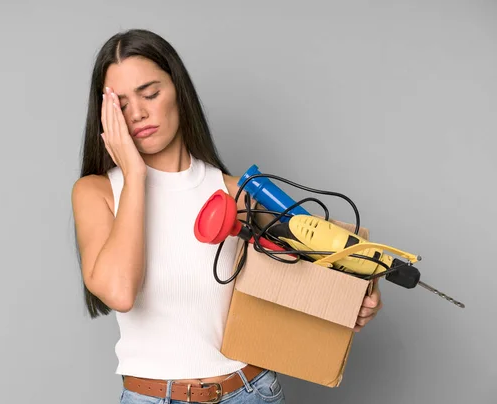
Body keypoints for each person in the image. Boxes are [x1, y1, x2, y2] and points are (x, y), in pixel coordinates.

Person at [71, 28, 383, 404]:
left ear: (178, 92)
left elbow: (327, 258)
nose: (138, 112)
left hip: (251, 392)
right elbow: (120, 292)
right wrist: (135, 175)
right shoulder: (98, 193)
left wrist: (360, 295)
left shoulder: (237, 192)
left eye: (150, 93)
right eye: (120, 105)